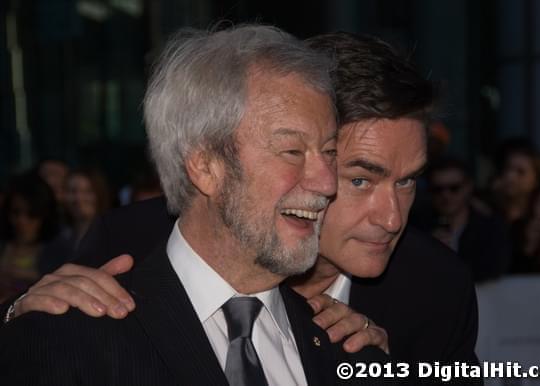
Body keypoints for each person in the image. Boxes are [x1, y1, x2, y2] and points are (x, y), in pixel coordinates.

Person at [4, 31, 481, 384]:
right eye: (360, 177)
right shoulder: (133, 243)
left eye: (408, 182)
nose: (391, 218)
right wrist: (18, 317)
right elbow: (61, 351)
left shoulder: (434, 289)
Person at [419, 157, 511, 282]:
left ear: (468, 187)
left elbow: (493, 269)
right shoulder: (418, 228)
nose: (446, 195)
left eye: (454, 188)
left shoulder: (490, 227)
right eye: (438, 189)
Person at [38, 167, 112, 274]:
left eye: (87, 191)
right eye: (72, 191)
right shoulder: (57, 236)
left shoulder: (112, 233)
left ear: (99, 194)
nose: (79, 198)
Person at [0, 173, 58, 302]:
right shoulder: (3, 244)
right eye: (16, 212)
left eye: (31, 214)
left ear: (44, 215)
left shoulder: (57, 248)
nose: (22, 220)